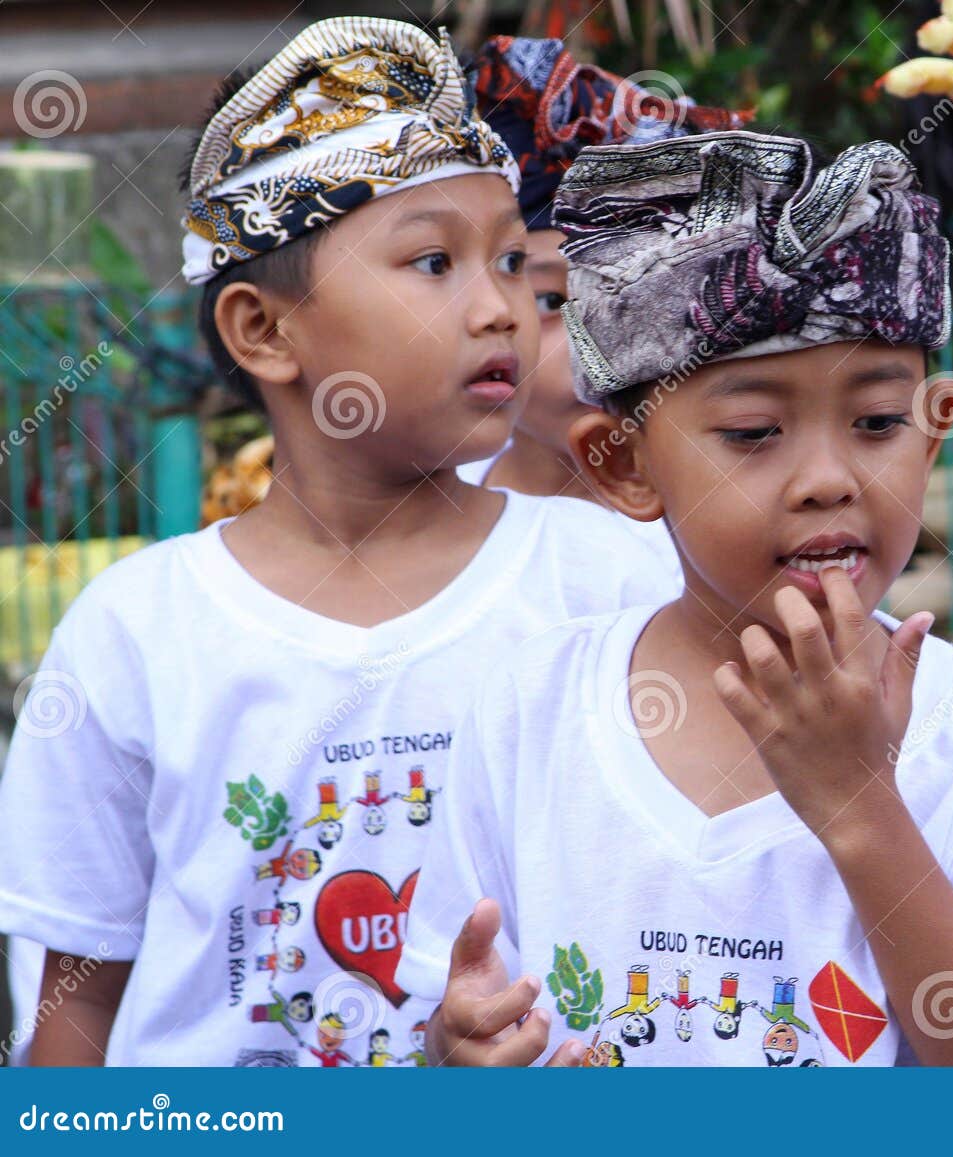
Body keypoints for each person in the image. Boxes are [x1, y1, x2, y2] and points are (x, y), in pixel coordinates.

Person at [0, 17, 675, 1067]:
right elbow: (75, 1004)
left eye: (509, 261)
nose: (499, 308)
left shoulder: (614, 579)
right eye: (434, 262)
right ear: (263, 330)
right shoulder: (137, 633)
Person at [396, 130, 953, 1067]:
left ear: (932, 437)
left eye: (877, 422)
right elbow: (451, 1024)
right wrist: (462, 1062)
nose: (828, 478)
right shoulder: (529, 710)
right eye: (752, 431)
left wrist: (859, 808)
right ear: (625, 467)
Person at [453, 37, 748, 585]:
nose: (597, 347)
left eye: (635, 295)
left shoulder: (733, 546)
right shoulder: (426, 523)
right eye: (550, 302)